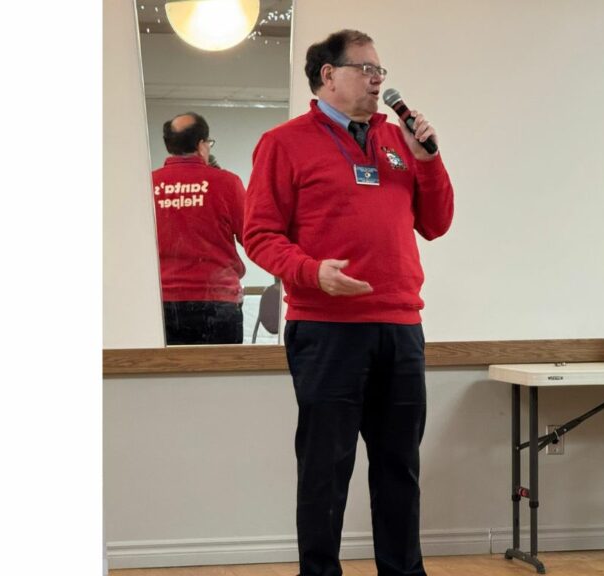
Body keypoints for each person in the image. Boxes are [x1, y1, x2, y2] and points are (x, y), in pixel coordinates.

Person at [243, 29, 454, 576]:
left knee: (399, 469)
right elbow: (260, 235)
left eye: (379, 69)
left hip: (401, 327)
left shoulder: (396, 140)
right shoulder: (283, 142)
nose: (376, 79)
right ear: (327, 76)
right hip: (328, 330)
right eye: (364, 68)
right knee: (325, 470)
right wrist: (312, 273)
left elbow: (437, 223)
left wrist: (427, 159)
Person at [152, 112, 247, 345]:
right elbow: (252, 236)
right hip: (217, 302)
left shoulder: (148, 184)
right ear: (201, 144)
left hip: (160, 302)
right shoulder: (227, 183)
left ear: (168, 146)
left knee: (165, 380)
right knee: (223, 379)